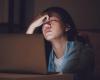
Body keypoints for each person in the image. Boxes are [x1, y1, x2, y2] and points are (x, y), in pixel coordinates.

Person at [26, 7, 94, 80]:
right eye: (44, 22)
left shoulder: (80, 50)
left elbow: (64, 77)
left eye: (53, 20)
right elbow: (25, 58)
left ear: (67, 27)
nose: (46, 25)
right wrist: (32, 26)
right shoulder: (49, 55)